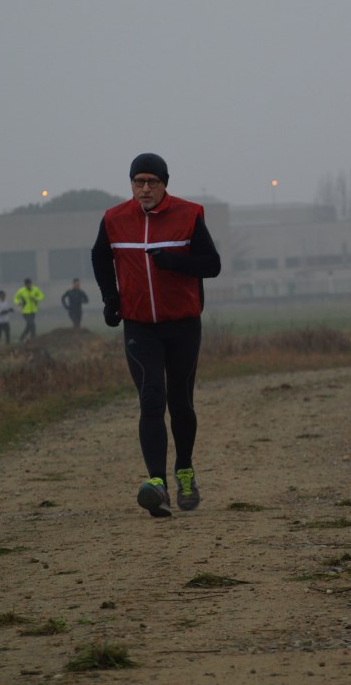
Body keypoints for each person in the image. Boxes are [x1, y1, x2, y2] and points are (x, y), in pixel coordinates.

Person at [91, 152, 221, 518]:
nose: (145, 188)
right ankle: (157, 485)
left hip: (182, 325)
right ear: (131, 184)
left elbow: (212, 265)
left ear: (165, 184)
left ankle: (185, 471)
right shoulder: (114, 219)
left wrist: (174, 261)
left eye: (152, 182)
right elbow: (100, 257)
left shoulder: (189, 215)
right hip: (139, 326)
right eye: (139, 182)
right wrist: (110, 299)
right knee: (151, 399)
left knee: (180, 403)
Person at [14, 277, 44, 342]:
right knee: (32, 324)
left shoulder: (35, 289)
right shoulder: (21, 291)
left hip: (33, 310)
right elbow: (15, 298)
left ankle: (21, 338)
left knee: (29, 326)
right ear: (25, 284)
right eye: (27, 284)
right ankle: (33, 337)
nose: (29, 285)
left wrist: (36, 298)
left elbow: (41, 296)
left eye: (30, 284)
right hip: (25, 311)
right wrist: (18, 302)